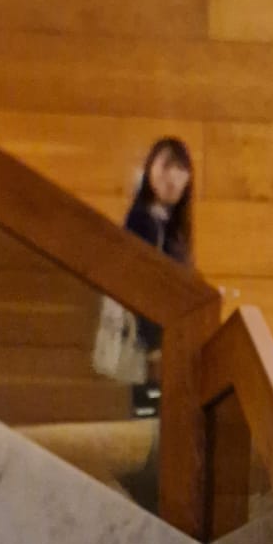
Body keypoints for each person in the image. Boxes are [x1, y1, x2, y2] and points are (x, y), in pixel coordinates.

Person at [122, 135, 194, 416]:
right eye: (166, 167)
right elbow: (139, 284)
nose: (172, 178)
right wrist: (153, 344)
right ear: (151, 169)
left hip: (165, 343)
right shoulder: (142, 220)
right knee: (147, 415)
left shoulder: (170, 226)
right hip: (148, 344)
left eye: (179, 170)